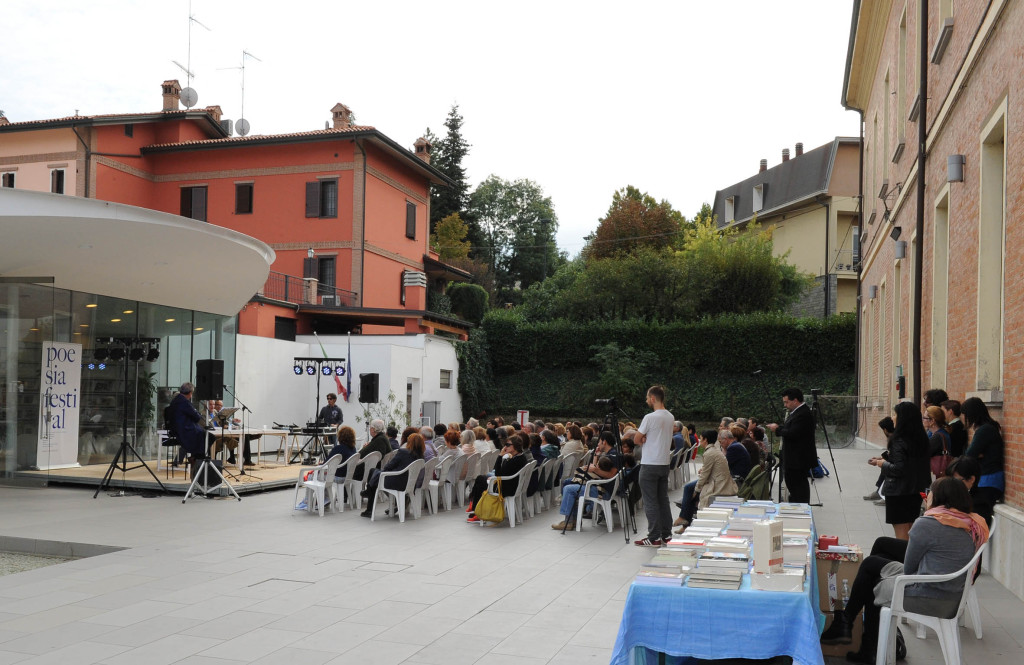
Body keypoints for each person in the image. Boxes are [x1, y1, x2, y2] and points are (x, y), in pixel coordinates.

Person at [820, 477, 988, 663]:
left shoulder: (928, 524)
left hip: (926, 594)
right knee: (872, 563)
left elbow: (909, 568)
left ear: (938, 498)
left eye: (929, 492)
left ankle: (856, 633)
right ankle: (857, 635)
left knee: (872, 579)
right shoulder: (974, 524)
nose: (926, 495)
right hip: (953, 595)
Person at [869, 401, 931, 540]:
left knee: (901, 533)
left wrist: (881, 463)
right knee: (910, 528)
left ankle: (902, 560)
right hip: (916, 490)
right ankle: (909, 559)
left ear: (903, 418)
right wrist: (885, 458)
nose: (893, 418)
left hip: (899, 492)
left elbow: (899, 469)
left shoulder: (899, 440)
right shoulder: (921, 439)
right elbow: (911, 463)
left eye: (895, 414)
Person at [551, 431, 622, 530]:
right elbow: (596, 468)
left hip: (603, 490)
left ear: (604, 442)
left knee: (569, 489)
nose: (598, 444)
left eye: (599, 442)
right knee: (568, 482)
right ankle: (573, 519)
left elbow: (611, 475)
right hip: (600, 485)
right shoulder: (610, 453)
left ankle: (568, 521)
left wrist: (594, 469)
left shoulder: (614, 456)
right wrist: (596, 456)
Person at [634, 385, 675, 547]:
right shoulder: (670, 416)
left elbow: (636, 439)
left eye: (647, 397)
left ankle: (654, 537)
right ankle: (666, 534)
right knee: (663, 499)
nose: (646, 400)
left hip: (649, 463)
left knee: (650, 501)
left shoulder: (649, 417)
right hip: (664, 463)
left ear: (652, 398)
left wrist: (643, 438)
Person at [675, 429, 738, 531]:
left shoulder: (710, 453)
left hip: (718, 483)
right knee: (689, 489)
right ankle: (684, 520)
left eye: (701, 439)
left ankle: (685, 519)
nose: (700, 441)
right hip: (718, 480)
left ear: (705, 440)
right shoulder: (715, 450)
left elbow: (704, 475)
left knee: (690, 490)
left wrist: (697, 490)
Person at [767, 388, 817, 504]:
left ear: (795, 400)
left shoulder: (803, 414)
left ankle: (801, 507)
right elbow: (791, 429)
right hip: (793, 458)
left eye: (786, 402)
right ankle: (796, 505)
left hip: (798, 460)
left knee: (799, 487)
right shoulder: (797, 412)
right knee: (793, 486)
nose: (785, 405)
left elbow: (793, 433)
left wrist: (777, 429)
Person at [359, 433, 426, 517]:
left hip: (397, 482)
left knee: (374, 474)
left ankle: (369, 505)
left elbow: (389, 467)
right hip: (410, 483)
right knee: (375, 473)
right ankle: (369, 492)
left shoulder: (403, 452)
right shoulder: (421, 456)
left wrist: (384, 471)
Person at [465, 436, 529, 523]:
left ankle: (476, 511)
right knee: (481, 479)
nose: (505, 447)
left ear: (516, 446)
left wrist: (500, 456)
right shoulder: (520, 457)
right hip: (512, 485)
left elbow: (498, 473)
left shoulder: (515, 460)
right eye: (505, 444)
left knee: (480, 480)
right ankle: (475, 508)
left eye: (508, 445)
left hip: (506, 488)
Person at [962, 396, 1004, 508]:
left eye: (966, 415)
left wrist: (977, 454)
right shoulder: (989, 427)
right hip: (988, 479)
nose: (965, 418)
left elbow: (969, 454)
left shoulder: (984, 430)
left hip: (988, 480)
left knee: (979, 512)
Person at [167, 383, 207, 465]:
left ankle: (196, 457)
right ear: (190, 393)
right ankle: (198, 458)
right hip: (185, 430)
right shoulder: (184, 402)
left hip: (177, 429)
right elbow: (196, 417)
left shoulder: (176, 400)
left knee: (203, 434)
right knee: (208, 436)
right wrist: (197, 413)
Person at [864, 416, 895, 502]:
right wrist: (880, 458)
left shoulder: (895, 439)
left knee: (886, 467)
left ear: (885, 430)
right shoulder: (894, 438)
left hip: (900, 468)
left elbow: (895, 460)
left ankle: (886, 495)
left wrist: (878, 462)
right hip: (897, 464)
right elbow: (892, 455)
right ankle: (879, 491)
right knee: (885, 466)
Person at [924, 405, 952, 478]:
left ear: (932, 421)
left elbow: (923, 454)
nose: (923, 420)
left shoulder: (937, 437)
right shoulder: (942, 433)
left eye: (924, 418)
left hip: (937, 474)